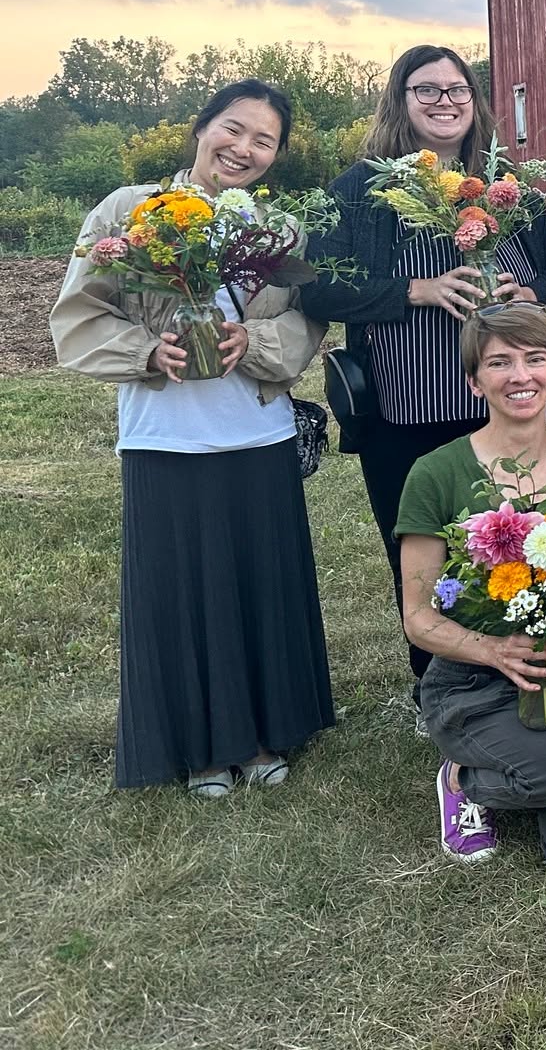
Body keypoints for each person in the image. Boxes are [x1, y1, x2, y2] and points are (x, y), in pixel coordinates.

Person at [51, 80, 334, 795]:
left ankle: (270, 731)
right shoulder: (129, 210)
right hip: (163, 439)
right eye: (233, 130)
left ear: (275, 156)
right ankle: (203, 748)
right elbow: (77, 316)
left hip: (259, 433)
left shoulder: (278, 231)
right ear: (201, 128)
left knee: (261, 586)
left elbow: (308, 323)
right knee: (182, 595)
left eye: (263, 140)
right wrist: (149, 353)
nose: (243, 148)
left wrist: (256, 338)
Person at [302, 45, 546, 698]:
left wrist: (534, 295)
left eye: (456, 90)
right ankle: (433, 681)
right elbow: (316, 285)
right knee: (421, 550)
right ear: (400, 100)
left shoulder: (504, 185)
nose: (444, 102)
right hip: (405, 410)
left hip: (504, 406)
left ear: (475, 101)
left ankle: (508, 665)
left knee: (509, 541)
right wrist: (414, 292)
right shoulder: (364, 190)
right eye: (426, 90)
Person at [394, 305, 546, 866]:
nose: (520, 376)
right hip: (474, 677)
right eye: (499, 362)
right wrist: (494, 650)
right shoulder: (436, 472)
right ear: (475, 381)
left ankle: (544, 763)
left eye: (535, 359)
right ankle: (464, 779)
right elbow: (418, 616)